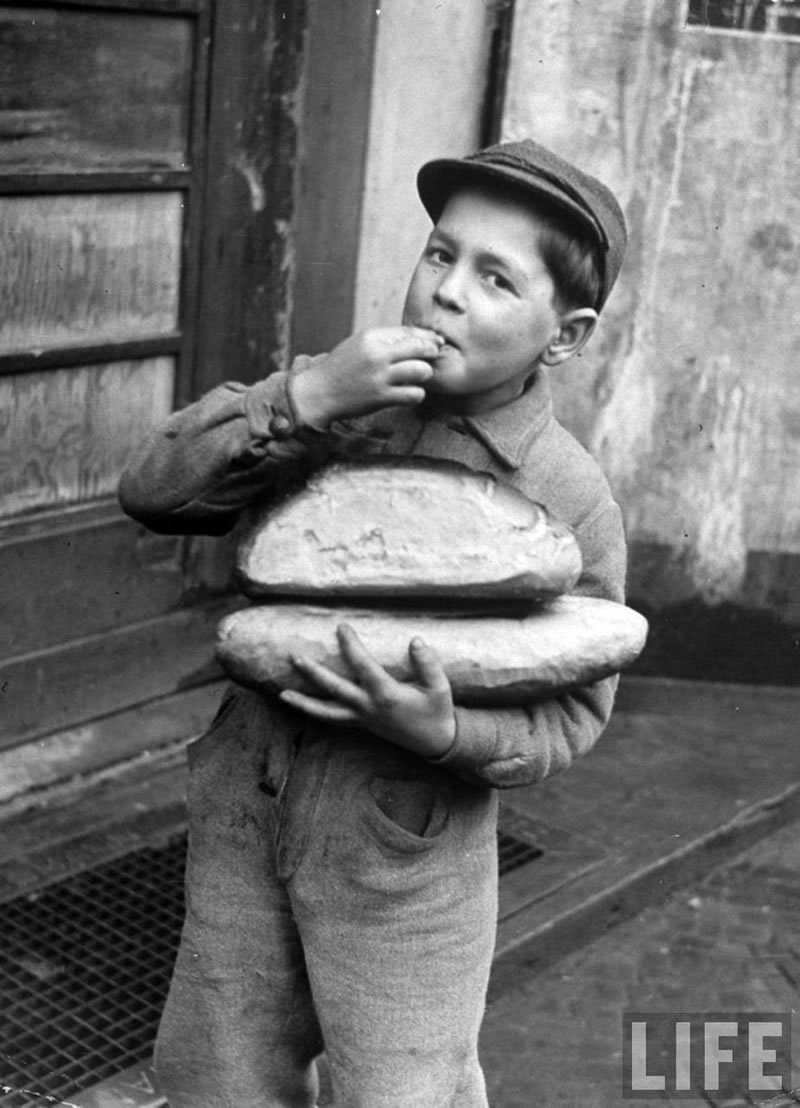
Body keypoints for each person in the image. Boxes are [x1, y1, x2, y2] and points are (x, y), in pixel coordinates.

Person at [119, 137, 628, 1108]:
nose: (445, 291)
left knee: (402, 1085)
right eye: (439, 253)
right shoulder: (332, 405)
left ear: (562, 335)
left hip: (405, 844)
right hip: (246, 802)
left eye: (493, 278)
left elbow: (572, 711)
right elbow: (153, 490)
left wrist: (445, 731)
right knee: (219, 1069)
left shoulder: (567, 494)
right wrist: (303, 397)